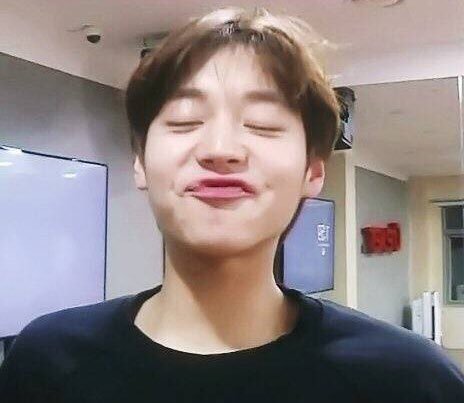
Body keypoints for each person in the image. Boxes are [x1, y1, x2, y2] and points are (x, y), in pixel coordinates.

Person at [1, 6, 464, 403]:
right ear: (140, 162)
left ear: (312, 171)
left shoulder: (407, 381)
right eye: (185, 120)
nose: (220, 149)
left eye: (262, 124)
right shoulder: (47, 361)